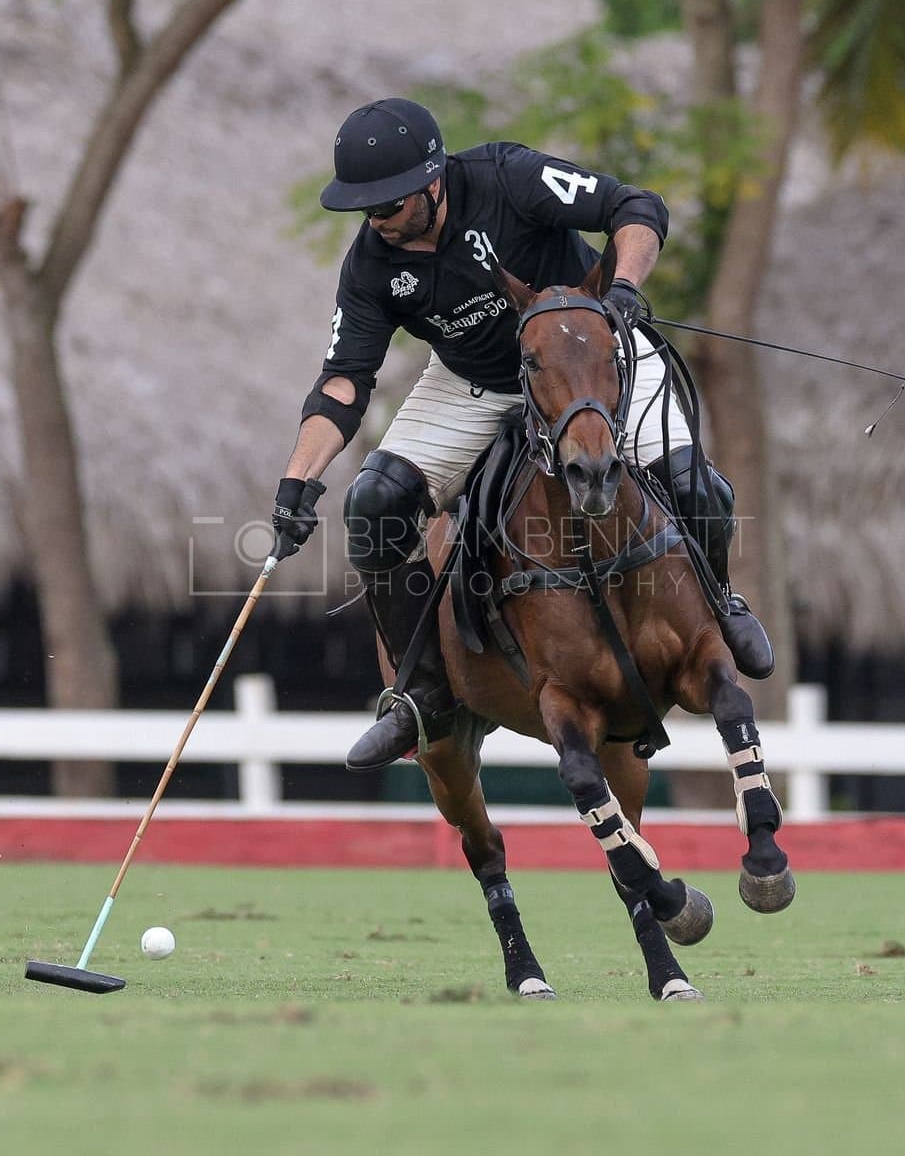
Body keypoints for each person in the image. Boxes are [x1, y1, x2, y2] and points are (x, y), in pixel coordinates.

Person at [273, 98, 774, 771]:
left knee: (693, 482)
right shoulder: (370, 265)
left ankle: (721, 606)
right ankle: (421, 693)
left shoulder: (509, 178)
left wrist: (621, 292)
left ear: (432, 182)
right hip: (474, 383)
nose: (378, 220)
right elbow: (343, 381)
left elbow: (637, 208)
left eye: (389, 204)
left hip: (591, 361)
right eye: (366, 208)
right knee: (373, 504)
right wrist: (297, 481)